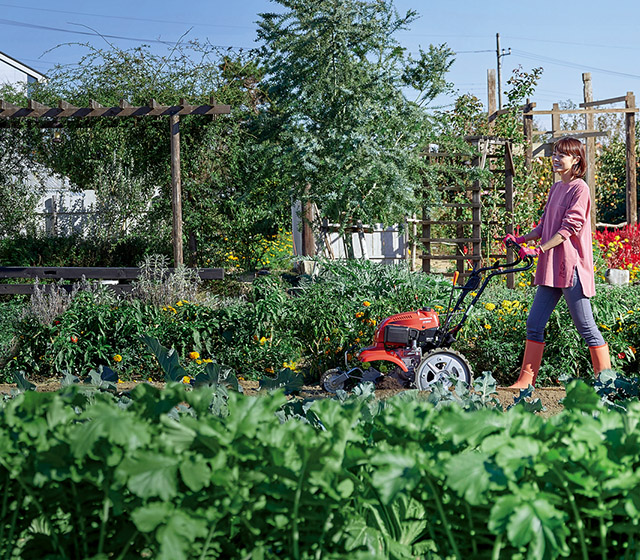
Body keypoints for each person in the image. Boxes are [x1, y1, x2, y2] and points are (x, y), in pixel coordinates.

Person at [504, 136, 611, 388]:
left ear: (576, 160)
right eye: (554, 153)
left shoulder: (579, 189)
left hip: (571, 268)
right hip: (552, 267)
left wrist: (537, 250)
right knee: (534, 324)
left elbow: (568, 229)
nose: (555, 158)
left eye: (561, 154)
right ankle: (525, 381)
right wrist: (520, 239)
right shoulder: (556, 188)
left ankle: (607, 382)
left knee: (586, 326)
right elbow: (545, 225)